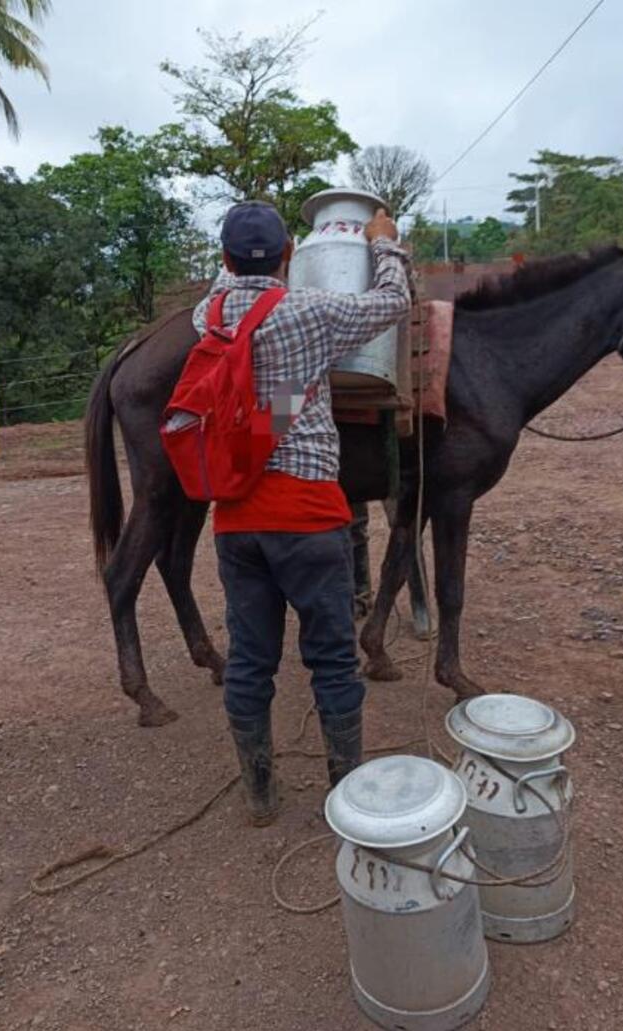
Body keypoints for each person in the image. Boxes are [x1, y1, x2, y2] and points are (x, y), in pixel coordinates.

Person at [193, 199, 411, 826]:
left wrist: (234, 272)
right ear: (290, 256)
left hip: (236, 519)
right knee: (333, 660)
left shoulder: (208, 315)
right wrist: (385, 244)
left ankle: (260, 795)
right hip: (311, 516)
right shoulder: (311, 311)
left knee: (252, 658)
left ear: (226, 260)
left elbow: (226, 289)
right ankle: (346, 796)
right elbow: (390, 305)